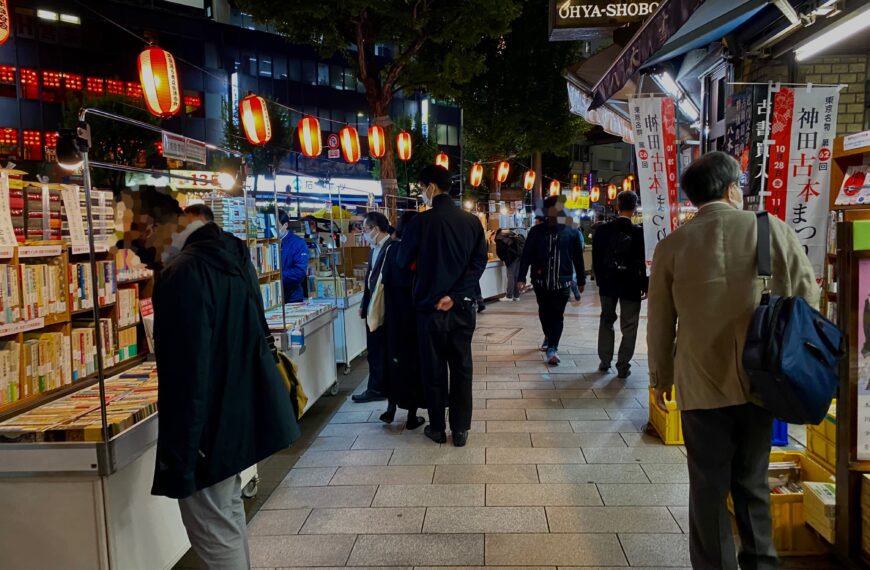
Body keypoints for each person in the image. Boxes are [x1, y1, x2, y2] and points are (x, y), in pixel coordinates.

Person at [647, 151, 818, 570]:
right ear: (731, 188)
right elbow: (807, 296)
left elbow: (660, 321)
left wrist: (661, 376)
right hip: (762, 378)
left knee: (707, 485)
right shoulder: (770, 229)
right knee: (752, 480)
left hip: (700, 381)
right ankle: (761, 562)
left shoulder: (672, 246)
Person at [148, 194, 300, 569]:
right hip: (233, 412)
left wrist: (185, 451)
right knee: (227, 518)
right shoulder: (229, 257)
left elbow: (187, 371)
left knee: (214, 531)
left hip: (207, 428)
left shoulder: (183, 273)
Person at [397, 165, 487, 447]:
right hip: (462, 309)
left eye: (422, 189)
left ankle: (437, 428)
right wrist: (457, 295)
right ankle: (460, 430)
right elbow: (478, 263)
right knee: (462, 366)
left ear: (431, 188)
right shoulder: (472, 223)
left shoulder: (419, 224)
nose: (422, 194)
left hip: (429, 309)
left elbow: (402, 262)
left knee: (434, 368)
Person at [517, 195, 586, 365]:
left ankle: (552, 347)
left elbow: (578, 257)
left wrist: (582, 280)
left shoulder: (572, 231)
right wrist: (520, 278)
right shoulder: (536, 232)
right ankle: (548, 335)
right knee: (544, 312)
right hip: (541, 281)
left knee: (557, 314)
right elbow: (526, 256)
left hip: (562, 281)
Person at [593, 190, 647, 379]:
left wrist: (600, 280)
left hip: (608, 283)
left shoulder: (602, 230)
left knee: (606, 320)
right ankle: (623, 365)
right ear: (634, 208)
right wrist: (645, 285)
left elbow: (596, 258)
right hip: (631, 285)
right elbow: (643, 261)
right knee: (630, 325)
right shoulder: (639, 233)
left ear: (617, 206)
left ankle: (605, 360)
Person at [379, 210, 426, 429]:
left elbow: (384, 280)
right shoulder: (418, 252)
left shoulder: (390, 249)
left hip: (393, 317)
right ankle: (411, 417)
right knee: (414, 363)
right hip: (414, 318)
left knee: (394, 359)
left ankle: (390, 408)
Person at [352, 211, 395, 403]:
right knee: (374, 348)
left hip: (386, 307)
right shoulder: (373, 249)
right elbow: (370, 279)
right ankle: (377, 386)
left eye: (366, 229)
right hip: (372, 305)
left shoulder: (392, 248)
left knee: (381, 348)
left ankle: (379, 387)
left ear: (376, 229)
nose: (364, 233)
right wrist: (364, 303)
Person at [278, 209, 309, 303]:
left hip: (293, 297)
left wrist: (276, 277)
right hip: (273, 298)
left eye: (276, 226)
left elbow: (299, 272)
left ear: (285, 225)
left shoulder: (298, 244)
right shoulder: (266, 243)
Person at [495, 228, 525, 301]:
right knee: (516, 276)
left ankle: (509, 296)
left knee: (511, 276)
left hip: (511, 258)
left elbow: (500, 251)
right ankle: (516, 296)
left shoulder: (499, 238)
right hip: (519, 256)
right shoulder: (512, 235)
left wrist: (503, 259)